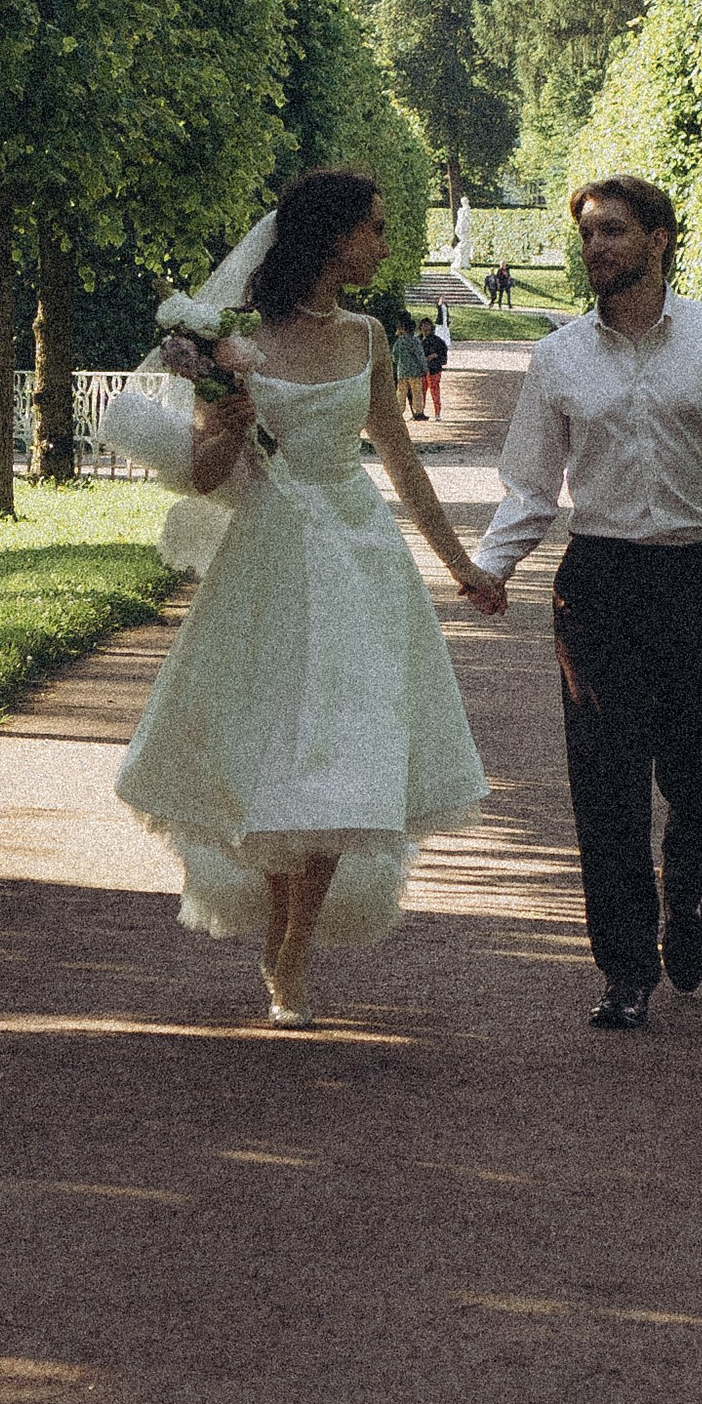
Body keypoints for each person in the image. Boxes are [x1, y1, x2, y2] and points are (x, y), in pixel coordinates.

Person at [108, 169, 508, 1026]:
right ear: (331, 237)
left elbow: (402, 464)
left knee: (343, 749)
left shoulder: (369, 337)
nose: (386, 243)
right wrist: (228, 407)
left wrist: (459, 564)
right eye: (375, 227)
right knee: (279, 750)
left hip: (360, 558)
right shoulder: (235, 341)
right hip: (272, 557)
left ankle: (291, 953)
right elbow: (211, 474)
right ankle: (279, 935)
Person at [469, 174, 702, 1032]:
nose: (597, 249)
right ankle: (624, 971)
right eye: (589, 236)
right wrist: (493, 566)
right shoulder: (558, 358)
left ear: (659, 239)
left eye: (615, 233)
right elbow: (529, 487)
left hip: (701, 582)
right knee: (607, 787)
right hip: (599, 589)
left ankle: (687, 890)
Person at [389, 305, 431, 419]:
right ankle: (418, 412)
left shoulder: (399, 341)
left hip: (402, 371)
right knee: (417, 392)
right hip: (415, 372)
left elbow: (394, 356)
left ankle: (398, 412)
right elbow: (420, 356)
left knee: (401, 393)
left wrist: (399, 364)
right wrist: (425, 368)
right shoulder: (415, 341)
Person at [421, 307, 451, 419]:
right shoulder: (418, 340)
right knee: (421, 392)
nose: (425, 328)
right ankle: (420, 411)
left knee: (435, 392)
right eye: (423, 326)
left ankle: (437, 412)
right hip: (421, 371)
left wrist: (435, 356)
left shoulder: (437, 341)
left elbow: (443, 355)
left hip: (434, 370)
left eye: (427, 326)